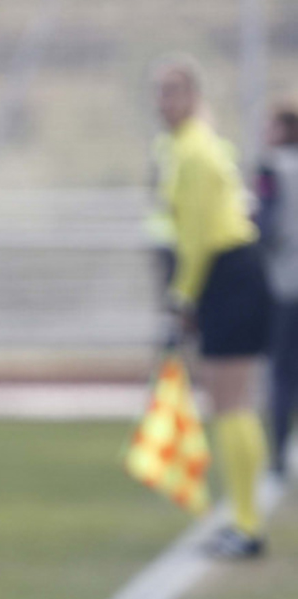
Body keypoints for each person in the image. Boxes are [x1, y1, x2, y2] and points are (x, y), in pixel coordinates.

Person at [151, 54, 272, 558]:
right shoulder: (186, 146)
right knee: (231, 402)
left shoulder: (195, 150)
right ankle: (246, 518)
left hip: (229, 274)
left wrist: (183, 295)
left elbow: (198, 235)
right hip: (232, 274)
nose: (165, 103)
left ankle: (246, 524)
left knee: (231, 402)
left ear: (194, 96)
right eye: (160, 93)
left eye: (175, 91)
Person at [254, 100, 298, 477]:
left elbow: (268, 227)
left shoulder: (272, 168)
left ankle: (279, 455)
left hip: (284, 284)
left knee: (282, 373)